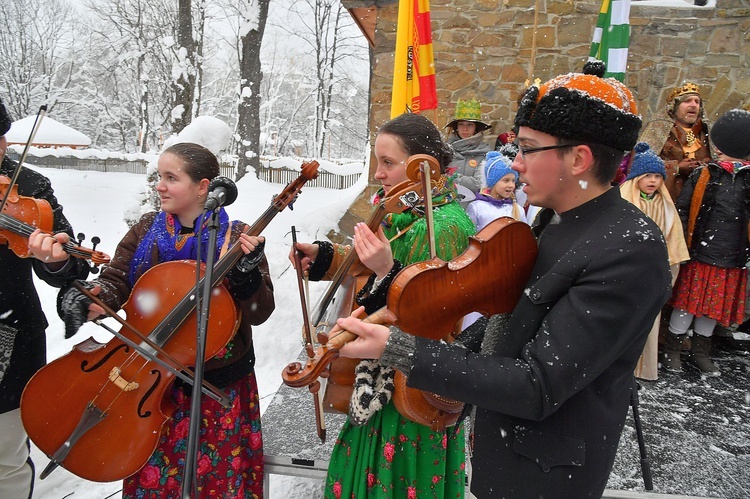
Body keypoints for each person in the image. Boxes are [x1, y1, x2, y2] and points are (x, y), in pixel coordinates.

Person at [333, 61, 673, 497]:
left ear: (579, 158)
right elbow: (501, 325)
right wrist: (402, 327)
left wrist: (401, 350)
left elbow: (537, 384)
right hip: (505, 458)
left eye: (528, 148)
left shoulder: (630, 249)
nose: (516, 164)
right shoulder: (555, 219)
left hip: (546, 475)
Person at [56, 142, 275, 497]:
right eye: (160, 177)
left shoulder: (237, 237)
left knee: (217, 480)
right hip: (150, 385)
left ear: (203, 187)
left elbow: (259, 312)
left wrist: (247, 276)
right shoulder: (146, 230)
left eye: (170, 178)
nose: (159, 185)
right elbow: (117, 282)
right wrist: (95, 297)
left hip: (219, 385)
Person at [291, 113, 476, 498]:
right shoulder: (405, 212)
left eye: (388, 163)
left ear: (422, 166)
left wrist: (386, 269)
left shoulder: (445, 225)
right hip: (377, 376)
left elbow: (427, 308)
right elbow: (371, 261)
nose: (378, 173)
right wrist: (323, 257)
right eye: (378, 161)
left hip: (411, 382)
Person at [0, 98, 90, 498]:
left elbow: (71, 266)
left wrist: (55, 261)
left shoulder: (30, 187)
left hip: (10, 335)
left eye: (0, 138)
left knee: (5, 458)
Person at [662, 109, 750, 375]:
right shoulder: (705, 175)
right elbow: (684, 209)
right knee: (686, 305)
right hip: (700, 253)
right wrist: (683, 246)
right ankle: (673, 349)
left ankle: (702, 350)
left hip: (731, 255)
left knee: (712, 308)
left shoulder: (748, 179)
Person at [619, 142, 690, 380]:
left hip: (652, 273)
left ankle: (643, 366)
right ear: (636, 177)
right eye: (647, 175)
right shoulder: (623, 202)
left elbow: (673, 239)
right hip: (627, 272)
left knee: (647, 319)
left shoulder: (665, 206)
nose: (653, 181)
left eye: (658, 176)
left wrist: (665, 266)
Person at [639, 81, 713, 201]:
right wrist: (676, 167)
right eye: (687, 100)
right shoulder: (657, 128)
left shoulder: (706, 132)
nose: (693, 105)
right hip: (664, 199)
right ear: (675, 105)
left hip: (698, 199)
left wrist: (703, 167)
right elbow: (640, 163)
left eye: (697, 101)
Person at [444, 98, 493, 200]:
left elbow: (479, 184)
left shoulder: (485, 154)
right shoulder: (445, 151)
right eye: (461, 124)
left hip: (473, 209)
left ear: (476, 127)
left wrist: (450, 177)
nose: (465, 128)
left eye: (469, 124)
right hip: (448, 208)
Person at [466, 150, 527, 231]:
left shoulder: (518, 209)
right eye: (506, 180)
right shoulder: (477, 207)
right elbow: (470, 237)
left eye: (513, 181)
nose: (511, 185)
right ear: (492, 182)